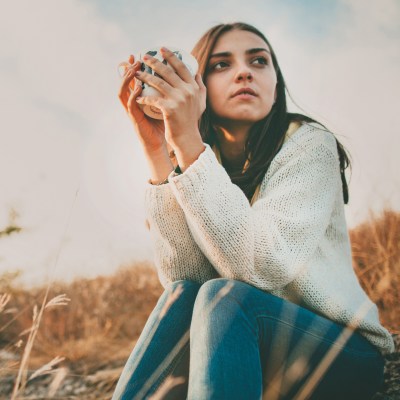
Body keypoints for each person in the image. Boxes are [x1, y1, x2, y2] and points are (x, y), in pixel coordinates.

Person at [112, 22, 394, 400]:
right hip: (242, 350)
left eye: (259, 61)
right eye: (221, 65)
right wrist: (158, 151)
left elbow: (260, 267)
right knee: (184, 294)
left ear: (275, 83)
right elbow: (188, 279)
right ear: (200, 87)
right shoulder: (198, 160)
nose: (244, 71)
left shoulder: (309, 144)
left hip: (340, 353)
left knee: (228, 297)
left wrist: (187, 143)